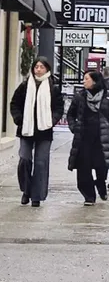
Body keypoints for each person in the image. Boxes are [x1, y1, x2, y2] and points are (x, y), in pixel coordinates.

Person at [10, 57, 64, 207]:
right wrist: (19, 119)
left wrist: (51, 120)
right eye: (36, 67)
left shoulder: (53, 87)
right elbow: (14, 104)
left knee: (41, 163)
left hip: (44, 131)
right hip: (26, 129)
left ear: (47, 69)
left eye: (41, 67)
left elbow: (59, 107)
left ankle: (37, 196)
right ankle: (26, 190)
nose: (38, 70)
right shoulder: (25, 86)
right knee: (24, 159)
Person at [67, 71, 109, 206]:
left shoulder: (108, 95)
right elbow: (71, 114)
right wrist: (74, 126)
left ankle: (100, 184)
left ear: (95, 81)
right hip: (84, 137)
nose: (83, 81)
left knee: (101, 166)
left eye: (86, 79)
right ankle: (89, 196)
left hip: (102, 137)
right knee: (83, 168)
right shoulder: (80, 96)